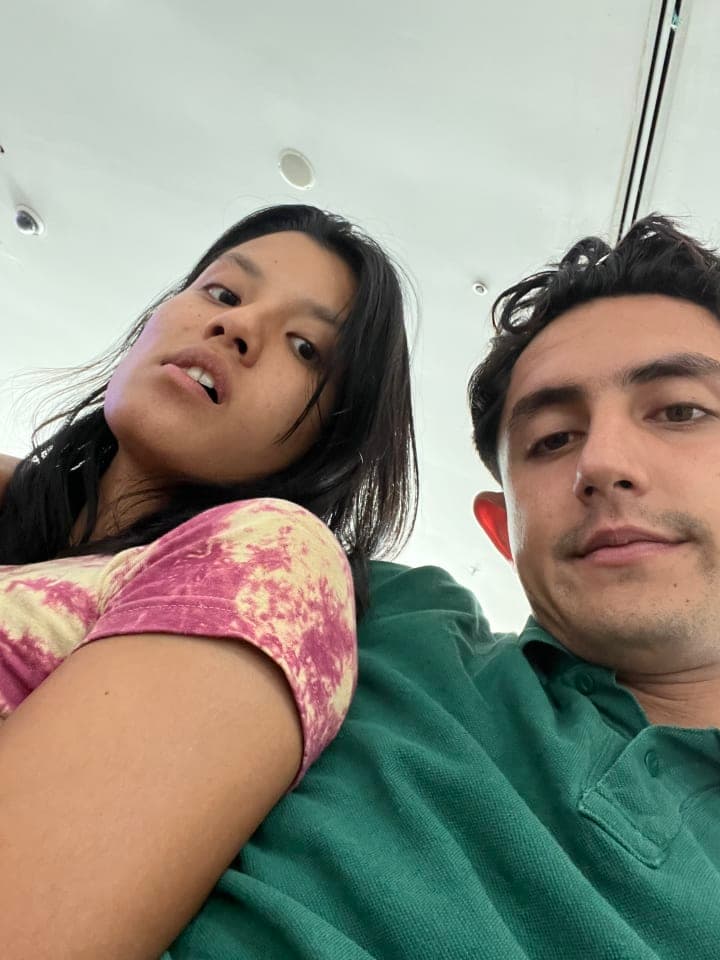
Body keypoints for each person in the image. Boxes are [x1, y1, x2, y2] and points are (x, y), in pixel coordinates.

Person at [154, 213, 719, 960]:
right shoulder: (368, 615)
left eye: (680, 411)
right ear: (503, 530)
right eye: (552, 439)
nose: (603, 463)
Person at [0, 203, 417, 959]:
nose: (237, 326)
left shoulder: (279, 558)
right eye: (223, 293)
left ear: (330, 438)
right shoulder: (30, 519)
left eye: (305, 348)